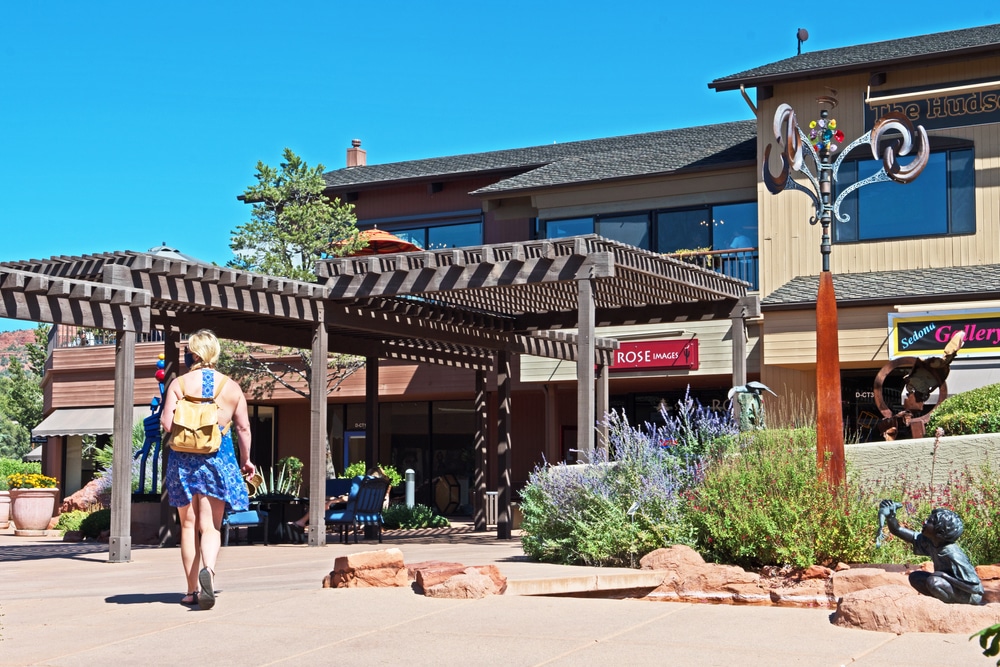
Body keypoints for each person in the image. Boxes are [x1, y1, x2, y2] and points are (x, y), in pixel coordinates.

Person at [161, 329, 255, 610]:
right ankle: (209, 571)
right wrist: (246, 460)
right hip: (217, 459)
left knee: (188, 526)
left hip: (183, 461)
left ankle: (191, 591)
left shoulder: (179, 383)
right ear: (215, 353)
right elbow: (243, 428)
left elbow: (167, 424)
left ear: (192, 353)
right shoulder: (231, 387)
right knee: (211, 526)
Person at [878, 500, 984, 605]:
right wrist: (890, 517)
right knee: (916, 577)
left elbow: (974, 587)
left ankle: (950, 607)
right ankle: (938, 600)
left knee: (934, 582)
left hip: (969, 596)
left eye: (929, 522)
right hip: (949, 585)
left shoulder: (952, 554)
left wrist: (943, 575)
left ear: (939, 533)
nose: (924, 522)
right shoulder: (932, 542)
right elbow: (897, 530)